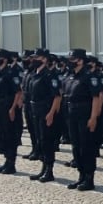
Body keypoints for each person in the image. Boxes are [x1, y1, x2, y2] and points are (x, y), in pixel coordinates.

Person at [61, 48, 102, 191]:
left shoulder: (89, 76)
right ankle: (81, 176)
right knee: (76, 146)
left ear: (80, 60)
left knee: (86, 147)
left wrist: (93, 117)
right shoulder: (70, 76)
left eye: (73, 60)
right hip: (72, 114)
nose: (70, 62)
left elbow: (96, 98)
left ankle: (89, 178)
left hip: (85, 114)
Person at [26, 50, 62, 182]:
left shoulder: (49, 75)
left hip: (46, 112)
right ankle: (43, 168)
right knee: (40, 141)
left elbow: (57, 97)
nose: (34, 59)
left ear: (45, 59)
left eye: (38, 57)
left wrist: (51, 113)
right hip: (35, 111)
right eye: (34, 57)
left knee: (47, 141)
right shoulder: (35, 74)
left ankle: (49, 170)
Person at [0, 49, 22, 174]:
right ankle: (6, 161)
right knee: (2, 134)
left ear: (4, 59)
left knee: (10, 135)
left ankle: (11, 163)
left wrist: (13, 108)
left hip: (8, 106)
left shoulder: (11, 73)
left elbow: (18, 92)